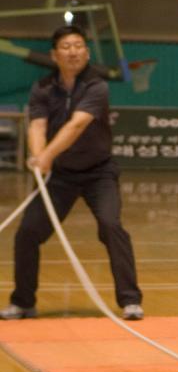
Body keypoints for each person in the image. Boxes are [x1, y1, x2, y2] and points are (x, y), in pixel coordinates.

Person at [3, 26, 143, 322]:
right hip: (59, 177)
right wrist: (40, 158)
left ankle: (130, 301)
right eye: (66, 46)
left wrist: (45, 156)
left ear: (87, 52)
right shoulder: (42, 88)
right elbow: (37, 126)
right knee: (27, 233)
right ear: (54, 54)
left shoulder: (96, 86)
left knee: (110, 226)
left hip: (99, 173)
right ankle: (23, 302)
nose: (73, 51)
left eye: (79, 45)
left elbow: (76, 126)